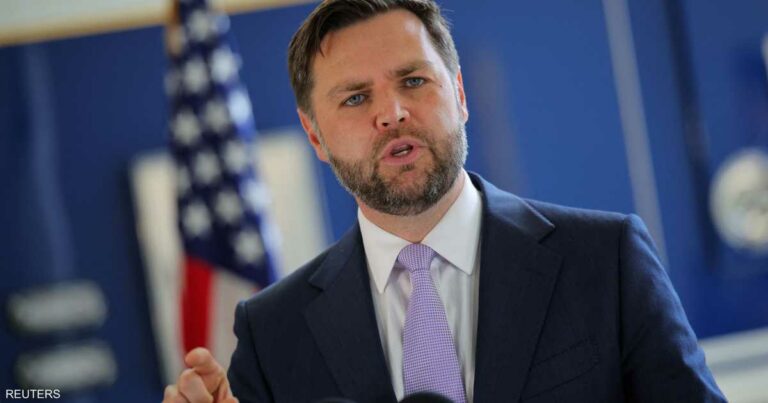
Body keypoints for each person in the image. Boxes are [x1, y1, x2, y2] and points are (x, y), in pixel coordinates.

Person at [163, 1, 726, 402]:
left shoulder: (606, 260)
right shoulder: (272, 332)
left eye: (413, 81)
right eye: (356, 98)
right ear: (316, 136)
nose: (392, 113)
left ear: (458, 93)